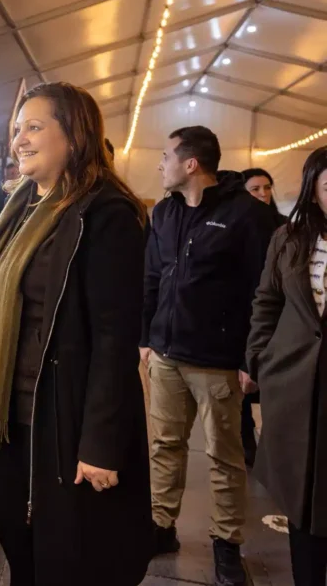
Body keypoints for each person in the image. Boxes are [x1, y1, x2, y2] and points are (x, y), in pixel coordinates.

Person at [0, 82, 152, 586]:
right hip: (8, 415)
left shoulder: (105, 214)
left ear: (74, 135)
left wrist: (101, 443)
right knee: (14, 534)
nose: (19, 140)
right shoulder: (20, 207)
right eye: (17, 129)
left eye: (34, 127)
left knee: (66, 556)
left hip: (63, 415)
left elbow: (114, 337)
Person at [141, 126, 277, 585]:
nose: (160, 164)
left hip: (218, 360)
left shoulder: (246, 216)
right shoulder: (164, 212)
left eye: (166, 156)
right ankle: (161, 526)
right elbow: (152, 276)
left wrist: (251, 359)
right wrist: (146, 335)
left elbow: (263, 292)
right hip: (166, 353)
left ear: (191, 163)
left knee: (224, 457)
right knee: (164, 445)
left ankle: (226, 544)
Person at [247, 147, 327, 586]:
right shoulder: (289, 239)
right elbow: (267, 301)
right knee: (300, 493)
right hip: (294, 383)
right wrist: (261, 359)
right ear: (314, 191)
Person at [239, 167, 286, 467]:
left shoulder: (285, 227)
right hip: (245, 317)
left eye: (267, 187)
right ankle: (249, 446)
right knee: (243, 393)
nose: (263, 194)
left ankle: (274, 450)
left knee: (276, 391)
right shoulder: (238, 228)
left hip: (280, 320)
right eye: (255, 189)